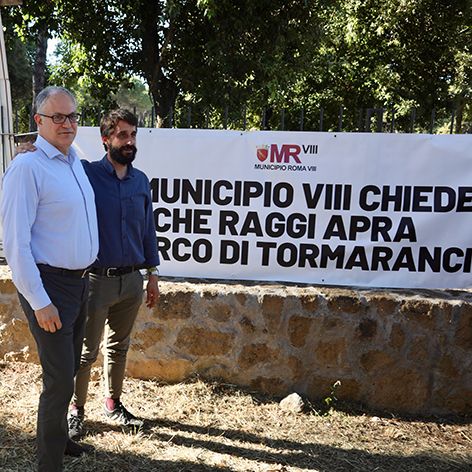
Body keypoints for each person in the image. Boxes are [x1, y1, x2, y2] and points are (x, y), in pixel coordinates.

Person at [0, 86, 99, 471]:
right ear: (38, 121)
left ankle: (61, 439)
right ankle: (48, 464)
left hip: (79, 283)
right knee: (59, 380)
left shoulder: (75, 161)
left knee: (69, 368)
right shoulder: (27, 168)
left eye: (72, 116)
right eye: (57, 117)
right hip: (50, 287)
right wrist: (40, 301)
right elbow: (16, 244)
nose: (67, 123)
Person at [67, 108, 160, 439]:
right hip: (95, 281)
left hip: (132, 281)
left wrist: (152, 273)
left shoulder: (141, 181)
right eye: (122, 135)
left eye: (133, 135)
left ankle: (113, 403)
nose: (129, 141)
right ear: (106, 139)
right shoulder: (87, 174)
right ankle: (75, 410)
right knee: (85, 352)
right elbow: (56, 163)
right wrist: (31, 148)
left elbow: (147, 229)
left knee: (119, 347)